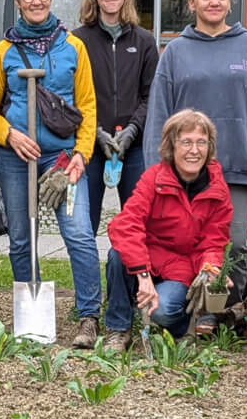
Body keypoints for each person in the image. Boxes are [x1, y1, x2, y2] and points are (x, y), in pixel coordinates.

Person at [0, 0, 103, 347]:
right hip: (15, 158)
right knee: (20, 237)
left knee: (78, 233)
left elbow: (87, 106)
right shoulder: (2, 52)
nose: (36, 1)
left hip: (62, 159)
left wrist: (81, 155)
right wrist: (9, 135)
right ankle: (29, 315)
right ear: (18, 1)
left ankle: (89, 317)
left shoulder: (73, 47)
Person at [143, 0, 247, 325]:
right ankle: (189, 308)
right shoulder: (176, 51)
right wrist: (157, 165)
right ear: (192, 3)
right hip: (184, 170)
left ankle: (221, 313)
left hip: (236, 163)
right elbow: (159, 112)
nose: (214, 2)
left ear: (230, 2)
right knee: (189, 242)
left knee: (234, 245)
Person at [97, 109, 232, 354]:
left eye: (201, 142)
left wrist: (211, 268)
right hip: (148, 256)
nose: (194, 150)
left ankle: (180, 325)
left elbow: (214, 240)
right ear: (172, 146)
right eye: (186, 142)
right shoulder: (153, 178)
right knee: (117, 256)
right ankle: (118, 328)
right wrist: (143, 274)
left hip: (180, 266)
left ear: (210, 147)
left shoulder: (217, 188)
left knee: (163, 311)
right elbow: (125, 224)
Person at [71, 0, 157, 232]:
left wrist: (132, 130)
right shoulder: (77, 41)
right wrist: (95, 132)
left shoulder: (144, 41)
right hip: (89, 145)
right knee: (84, 224)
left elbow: (151, 95)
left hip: (134, 146)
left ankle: (128, 263)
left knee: (137, 223)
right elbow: (72, 95)